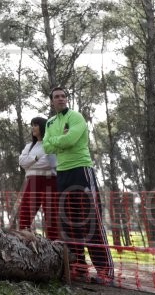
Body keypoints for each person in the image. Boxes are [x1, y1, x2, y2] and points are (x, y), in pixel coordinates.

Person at [43, 87, 113, 285]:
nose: (61, 99)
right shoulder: (49, 122)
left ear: (67, 99)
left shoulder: (76, 117)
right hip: (62, 173)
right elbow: (46, 146)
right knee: (69, 222)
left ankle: (104, 271)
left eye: (63, 96)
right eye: (56, 97)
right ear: (51, 101)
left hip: (82, 170)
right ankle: (79, 268)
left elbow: (71, 140)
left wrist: (57, 142)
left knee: (90, 221)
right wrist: (60, 141)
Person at [17, 116, 58, 239]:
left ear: (43, 126)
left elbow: (50, 163)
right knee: (25, 214)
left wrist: (30, 164)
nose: (33, 128)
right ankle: (24, 243)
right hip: (32, 182)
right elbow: (21, 162)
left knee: (52, 217)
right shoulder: (29, 146)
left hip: (50, 182)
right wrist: (36, 158)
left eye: (35, 125)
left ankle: (55, 246)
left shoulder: (51, 144)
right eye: (32, 125)